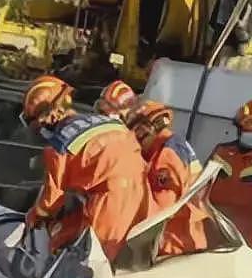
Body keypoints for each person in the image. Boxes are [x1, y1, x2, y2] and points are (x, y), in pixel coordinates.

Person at [21, 74, 149, 261]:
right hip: (142, 192)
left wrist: (34, 217)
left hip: (111, 201)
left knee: (94, 263)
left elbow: (51, 201)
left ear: (48, 117)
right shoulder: (105, 122)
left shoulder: (59, 146)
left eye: (38, 124)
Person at [127, 100, 208, 256]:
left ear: (147, 128)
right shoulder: (175, 144)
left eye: (135, 131)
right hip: (187, 236)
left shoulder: (166, 155)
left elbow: (160, 210)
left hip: (174, 243)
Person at [207, 100, 252, 239]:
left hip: (246, 232)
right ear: (239, 129)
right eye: (248, 129)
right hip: (213, 223)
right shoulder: (221, 152)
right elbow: (203, 184)